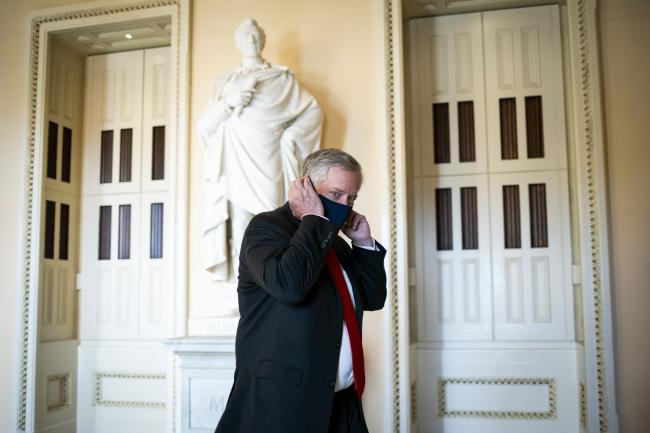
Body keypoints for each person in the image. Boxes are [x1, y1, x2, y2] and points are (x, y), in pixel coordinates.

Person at [214, 149, 387, 433]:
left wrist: (364, 243)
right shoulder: (266, 227)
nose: (345, 205)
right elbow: (290, 285)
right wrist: (314, 220)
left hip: (341, 404)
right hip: (283, 407)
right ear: (305, 186)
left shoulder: (335, 241)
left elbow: (372, 298)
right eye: (336, 194)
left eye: (352, 198)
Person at [198, 18, 323, 281]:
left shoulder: (281, 79)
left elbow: (312, 111)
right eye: (246, 36)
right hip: (235, 162)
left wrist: (292, 136)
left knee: (274, 222)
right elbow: (204, 126)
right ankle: (244, 287)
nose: (252, 41)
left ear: (263, 39)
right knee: (242, 228)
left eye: (256, 36)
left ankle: (277, 281)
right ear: (237, 42)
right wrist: (228, 104)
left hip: (269, 161)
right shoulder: (225, 82)